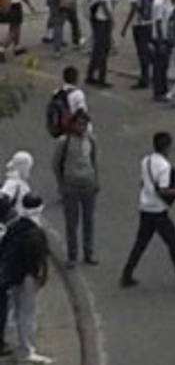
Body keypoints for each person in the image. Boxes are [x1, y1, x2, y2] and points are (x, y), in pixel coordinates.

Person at [120, 132, 175, 291]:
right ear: (167, 147)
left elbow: (143, 182)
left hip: (145, 207)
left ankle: (126, 274)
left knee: (141, 242)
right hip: (158, 210)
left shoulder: (146, 160)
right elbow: (163, 190)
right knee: (173, 242)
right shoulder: (164, 166)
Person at [0, 194, 51, 364]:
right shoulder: (35, 231)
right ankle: (26, 348)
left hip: (13, 276)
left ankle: (18, 339)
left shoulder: (15, 227)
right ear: (39, 209)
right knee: (27, 313)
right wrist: (39, 277)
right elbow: (38, 259)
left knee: (16, 310)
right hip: (28, 277)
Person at [52, 110, 98, 267]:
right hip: (70, 187)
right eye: (79, 124)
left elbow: (94, 161)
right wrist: (61, 184)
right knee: (72, 223)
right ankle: (72, 255)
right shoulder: (64, 142)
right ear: (72, 124)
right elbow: (56, 165)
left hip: (88, 185)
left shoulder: (90, 140)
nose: (82, 127)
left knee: (88, 221)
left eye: (84, 124)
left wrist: (96, 180)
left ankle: (89, 253)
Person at [85, 0, 114, 88]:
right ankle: (101, 77)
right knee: (103, 49)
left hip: (95, 17)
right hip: (102, 19)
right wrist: (111, 18)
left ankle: (91, 74)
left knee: (98, 48)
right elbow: (104, 3)